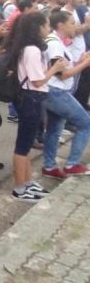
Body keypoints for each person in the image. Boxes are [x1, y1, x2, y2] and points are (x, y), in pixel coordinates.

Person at [5, 11, 67, 202]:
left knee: (26, 143)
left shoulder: (28, 47)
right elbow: (38, 80)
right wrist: (54, 69)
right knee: (23, 145)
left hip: (31, 98)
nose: (49, 28)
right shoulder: (31, 49)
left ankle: (27, 182)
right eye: (47, 24)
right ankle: (20, 187)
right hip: (30, 98)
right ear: (38, 27)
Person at [40, 10, 90, 178]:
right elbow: (62, 74)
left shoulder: (57, 42)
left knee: (54, 130)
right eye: (72, 23)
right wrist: (85, 65)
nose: (74, 27)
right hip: (56, 91)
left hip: (53, 90)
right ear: (60, 25)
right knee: (85, 123)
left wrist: (80, 61)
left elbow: (64, 68)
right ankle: (72, 164)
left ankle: (49, 166)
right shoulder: (54, 43)